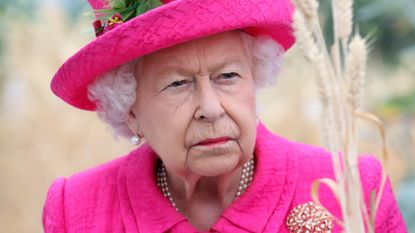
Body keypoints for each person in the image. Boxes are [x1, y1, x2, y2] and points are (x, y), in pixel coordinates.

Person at [42, 0, 407, 232]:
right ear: (130, 109)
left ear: (255, 78)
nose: (211, 108)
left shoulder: (350, 187)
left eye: (228, 76)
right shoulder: (76, 209)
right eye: (178, 84)